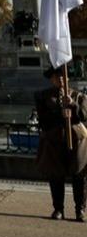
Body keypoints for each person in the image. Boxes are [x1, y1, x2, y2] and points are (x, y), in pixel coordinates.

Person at [35, 67, 87, 222]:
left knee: (80, 176)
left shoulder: (79, 96)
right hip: (54, 141)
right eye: (56, 77)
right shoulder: (42, 96)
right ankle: (58, 209)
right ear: (51, 79)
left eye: (63, 76)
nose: (60, 79)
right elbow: (43, 121)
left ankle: (80, 210)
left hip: (77, 142)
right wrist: (60, 113)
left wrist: (73, 106)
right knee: (55, 176)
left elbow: (84, 116)